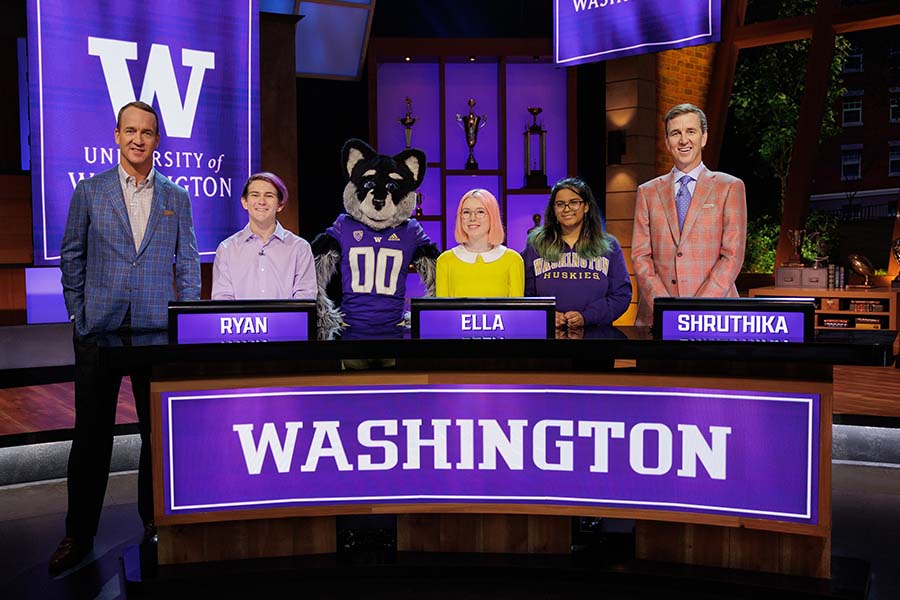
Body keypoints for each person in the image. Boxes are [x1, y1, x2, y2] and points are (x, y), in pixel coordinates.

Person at [52, 101, 200, 575]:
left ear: (158, 140)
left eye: (148, 132)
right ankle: (78, 534)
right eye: (131, 131)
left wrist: (188, 320)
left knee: (156, 435)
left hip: (157, 332)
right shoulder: (90, 192)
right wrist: (79, 314)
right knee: (91, 436)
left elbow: (189, 263)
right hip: (99, 332)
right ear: (116, 135)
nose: (139, 139)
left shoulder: (177, 197)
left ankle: (154, 523)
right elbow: (70, 256)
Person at [631, 103, 746, 326]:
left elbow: (732, 256)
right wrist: (664, 306)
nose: (683, 140)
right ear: (667, 142)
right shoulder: (647, 192)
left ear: (703, 137)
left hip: (715, 315)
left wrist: (696, 311)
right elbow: (640, 256)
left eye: (690, 131)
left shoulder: (730, 187)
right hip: (658, 316)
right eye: (676, 133)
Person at [522, 178, 631, 329]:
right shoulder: (535, 246)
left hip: (597, 336)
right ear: (553, 210)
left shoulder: (609, 246)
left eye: (574, 202)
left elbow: (621, 295)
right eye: (560, 204)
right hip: (547, 337)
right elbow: (524, 295)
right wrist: (546, 314)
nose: (567, 209)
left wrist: (587, 317)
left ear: (586, 206)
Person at [211, 172, 316, 300]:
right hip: (242, 320)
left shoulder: (300, 248)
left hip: (285, 320)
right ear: (244, 202)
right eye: (255, 195)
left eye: (269, 196)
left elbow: (305, 298)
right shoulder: (227, 249)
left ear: (280, 205)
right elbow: (222, 299)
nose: (261, 202)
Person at [436, 188, 524, 297]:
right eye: (466, 212)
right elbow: (442, 312)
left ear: (493, 216)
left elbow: (517, 312)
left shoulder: (513, 260)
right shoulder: (445, 261)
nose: (472, 218)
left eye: (480, 212)